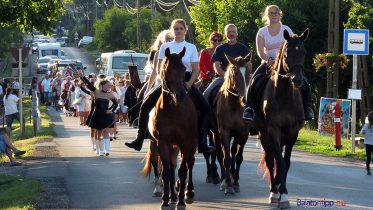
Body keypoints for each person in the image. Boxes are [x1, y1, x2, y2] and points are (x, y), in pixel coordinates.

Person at [125, 19, 215, 153]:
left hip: (185, 80)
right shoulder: (165, 47)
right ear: (172, 30)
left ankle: (202, 142)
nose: (178, 31)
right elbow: (157, 69)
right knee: (144, 105)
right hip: (167, 82)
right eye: (176, 28)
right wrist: (150, 87)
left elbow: (196, 69)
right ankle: (139, 139)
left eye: (181, 28)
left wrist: (189, 83)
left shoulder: (191, 47)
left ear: (185, 30)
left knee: (206, 107)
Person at [242, 4, 314, 121]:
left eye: (276, 13)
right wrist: (268, 60)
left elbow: (294, 46)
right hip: (267, 62)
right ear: (267, 16)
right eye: (271, 13)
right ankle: (249, 108)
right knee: (254, 80)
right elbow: (260, 51)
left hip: (286, 64)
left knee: (304, 81)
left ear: (280, 15)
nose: (274, 15)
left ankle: (307, 108)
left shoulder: (287, 29)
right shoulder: (262, 31)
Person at [203, 24, 250, 105]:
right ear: (225, 34)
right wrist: (226, 76)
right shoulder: (219, 49)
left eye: (233, 32)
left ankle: (252, 113)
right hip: (223, 77)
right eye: (229, 32)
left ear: (237, 33)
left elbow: (249, 64)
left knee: (255, 92)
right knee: (205, 94)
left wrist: (246, 75)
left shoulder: (243, 48)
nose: (231, 34)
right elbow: (216, 66)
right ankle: (207, 116)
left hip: (241, 78)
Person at [80, 76, 118, 156]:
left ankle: (106, 150)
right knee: (98, 133)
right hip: (97, 115)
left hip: (106, 115)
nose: (109, 87)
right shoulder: (96, 92)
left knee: (106, 132)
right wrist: (82, 76)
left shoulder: (110, 94)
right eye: (108, 85)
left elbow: (116, 103)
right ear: (102, 85)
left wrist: (111, 110)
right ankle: (99, 150)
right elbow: (89, 84)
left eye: (110, 85)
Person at [360, 111, 373, 175]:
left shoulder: (366, 125)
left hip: (367, 143)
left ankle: (368, 170)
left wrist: (365, 132)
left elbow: (361, 132)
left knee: (368, 157)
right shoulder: (367, 125)